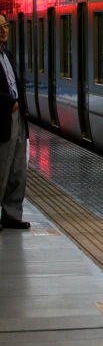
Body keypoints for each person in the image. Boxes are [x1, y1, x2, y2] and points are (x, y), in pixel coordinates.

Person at [0, 14, 30, 231]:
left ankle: (11, 214)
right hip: (2, 118)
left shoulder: (6, 54)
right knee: (1, 169)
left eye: (5, 26)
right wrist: (8, 102)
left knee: (17, 169)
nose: (4, 31)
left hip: (17, 117)